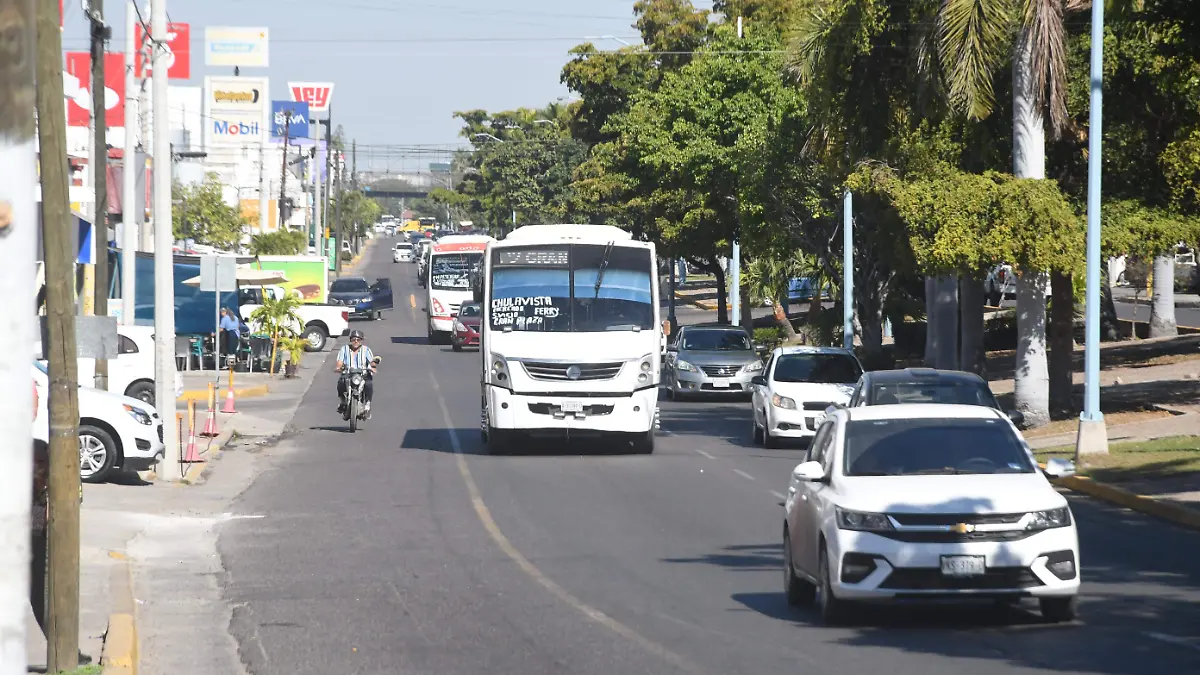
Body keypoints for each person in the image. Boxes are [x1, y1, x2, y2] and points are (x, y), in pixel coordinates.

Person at [336, 329, 376, 418]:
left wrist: (373, 365)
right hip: (348, 374)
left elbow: (372, 362)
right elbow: (339, 362)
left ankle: (367, 405)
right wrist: (339, 367)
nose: (356, 342)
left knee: (369, 384)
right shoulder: (344, 349)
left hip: (362, 375)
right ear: (350, 340)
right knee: (340, 383)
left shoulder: (366, 350)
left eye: (358, 340)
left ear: (361, 341)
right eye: (354, 339)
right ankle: (342, 402)